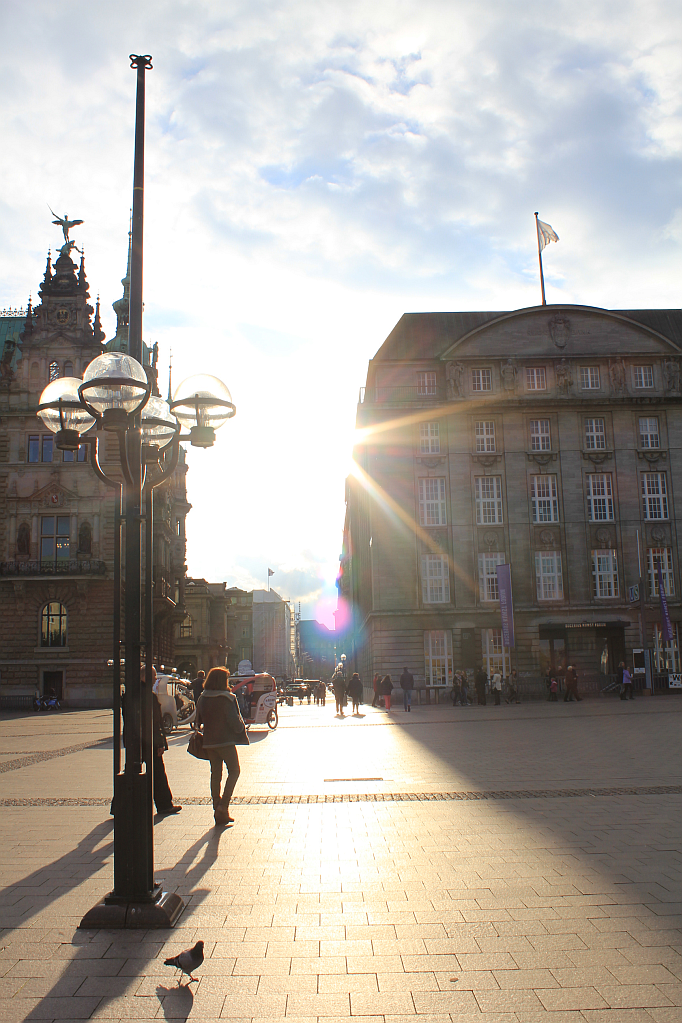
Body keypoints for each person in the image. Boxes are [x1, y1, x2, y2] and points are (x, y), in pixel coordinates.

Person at [195, 666, 249, 826]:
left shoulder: (202, 697)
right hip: (225, 741)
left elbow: (198, 719)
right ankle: (223, 806)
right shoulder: (227, 698)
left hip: (209, 742)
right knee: (234, 771)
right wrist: (241, 727)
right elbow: (234, 722)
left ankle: (216, 808)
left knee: (215, 774)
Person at [150, 666, 182, 816]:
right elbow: (155, 723)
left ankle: (118, 807)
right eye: (154, 677)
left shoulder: (132, 693)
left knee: (131, 770)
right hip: (149, 742)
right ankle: (164, 805)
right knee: (158, 774)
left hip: (135, 742)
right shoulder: (149, 696)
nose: (155, 680)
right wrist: (160, 743)